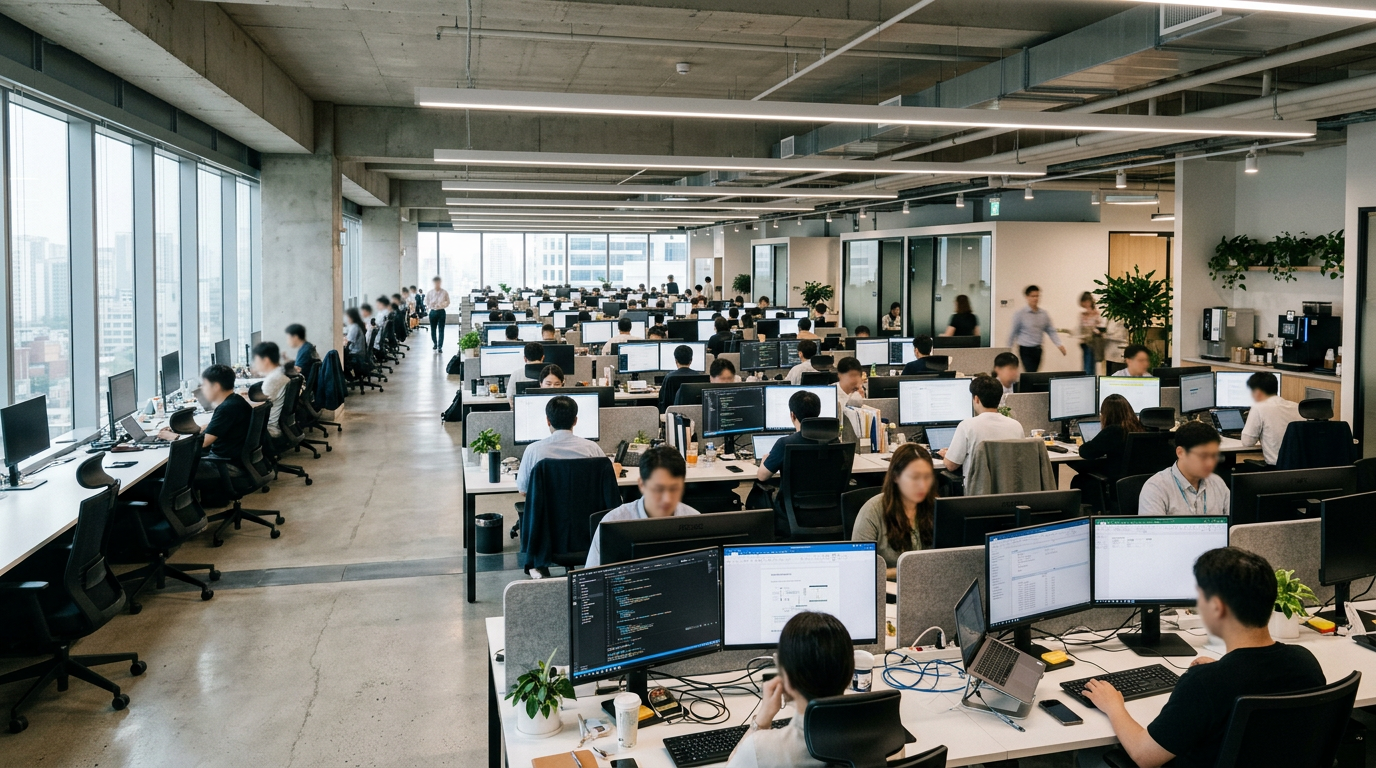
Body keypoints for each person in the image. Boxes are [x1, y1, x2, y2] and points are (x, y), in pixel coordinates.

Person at [1079, 547, 1325, 768]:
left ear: (1217, 608)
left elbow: (1145, 756)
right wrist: (1224, 668)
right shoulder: (1305, 663)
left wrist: (1113, 706)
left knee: (1091, 757)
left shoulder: (1205, 683)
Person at [726, 611, 854, 768]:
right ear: (849, 673)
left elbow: (733, 763)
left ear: (787, 679)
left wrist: (762, 721)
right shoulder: (872, 730)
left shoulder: (761, 749)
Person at [584, 447, 700, 568]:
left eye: (674, 489)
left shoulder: (695, 521)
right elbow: (592, 576)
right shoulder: (613, 523)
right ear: (642, 484)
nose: (667, 499)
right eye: (658, 489)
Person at [851, 443, 935, 577]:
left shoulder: (936, 507)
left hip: (930, 584)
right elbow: (859, 569)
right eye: (914, 477)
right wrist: (902, 572)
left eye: (927, 477)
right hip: (887, 587)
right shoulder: (873, 511)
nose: (922, 485)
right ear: (896, 477)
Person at [159, 365, 252, 480]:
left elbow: (202, 443)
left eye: (205, 385)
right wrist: (192, 430)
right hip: (234, 461)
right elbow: (222, 429)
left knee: (165, 468)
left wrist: (174, 437)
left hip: (227, 466)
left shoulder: (226, 408)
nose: (202, 389)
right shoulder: (236, 400)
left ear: (216, 386)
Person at [514, 396, 617, 497]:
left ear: (548, 421)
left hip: (547, 509)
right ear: (575, 421)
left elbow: (523, 490)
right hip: (587, 508)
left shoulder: (533, 450)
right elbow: (607, 483)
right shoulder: (592, 448)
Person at [1138, 421, 1230, 516]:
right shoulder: (1156, 488)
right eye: (1203, 456)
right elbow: (1154, 526)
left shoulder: (1217, 483)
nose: (1210, 463)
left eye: (1214, 456)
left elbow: (1234, 522)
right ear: (1180, 453)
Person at [941, 376, 1025, 473]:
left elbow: (951, 465)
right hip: (1008, 482)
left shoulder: (967, 426)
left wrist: (947, 455)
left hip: (979, 483)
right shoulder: (1016, 426)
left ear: (976, 399)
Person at [1071, 394, 1144, 488]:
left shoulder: (1113, 431)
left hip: (1116, 483)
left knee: (1078, 480)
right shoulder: (1141, 428)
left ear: (1107, 415)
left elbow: (1086, 452)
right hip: (1140, 483)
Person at [756, 390, 823, 484]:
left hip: (793, 494)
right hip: (828, 494)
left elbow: (762, 476)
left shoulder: (785, 443)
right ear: (818, 413)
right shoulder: (833, 440)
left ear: (792, 415)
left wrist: (764, 460)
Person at [1240, 372, 1301, 466]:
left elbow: (1247, 442)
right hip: (1301, 467)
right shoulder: (1296, 407)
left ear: (1257, 392)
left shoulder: (1259, 407)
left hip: (1276, 469)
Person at [1008, 285, 1065, 372]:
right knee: (1030, 372)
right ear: (1027, 297)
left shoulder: (1043, 314)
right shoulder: (1020, 314)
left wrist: (1059, 344)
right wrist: (1008, 349)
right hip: (1025, 349)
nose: (1035, 298)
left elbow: (1051, 330)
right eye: (1033, 296)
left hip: (1038, 349)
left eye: (1037, 296)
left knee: (1034, 373)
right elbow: (1013, 332)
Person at [252, 342, 290, 439]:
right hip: (281, 425)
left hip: (269, 428)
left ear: (266, 360)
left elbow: (259, 408)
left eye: (256, 360)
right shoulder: (280, 373)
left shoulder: (272, 380)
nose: (255, 364)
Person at [658, 344, 697, 411]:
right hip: (694, 413)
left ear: (676, 361)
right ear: (691, 360)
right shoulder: (698, 376)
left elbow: (662, 400)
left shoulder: (669, 377)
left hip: (672, 414)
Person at [1079, 291, 1104, 376]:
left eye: (1087, 301)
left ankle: (1090, 380)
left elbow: (1099, 326)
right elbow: (1081, 328)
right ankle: (1088, 379)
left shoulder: (1095, 313)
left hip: (1093, 342)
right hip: (1084, 342)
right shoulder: (1083, 314)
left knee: (1090, 366)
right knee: (1086, 365)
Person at [426, 276, 451, 351]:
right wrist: (431, 305)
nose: (437, 284)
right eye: (435, 283)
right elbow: (426, 302)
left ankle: (440, 346)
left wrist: (442, 305)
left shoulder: (444, 292)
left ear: (440, 283)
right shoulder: (430, 292)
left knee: (441, 329)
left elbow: (448, 302)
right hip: (433, 311)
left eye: (438, 283)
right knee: (433, 329)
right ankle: (435, 343)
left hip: (441, 311)